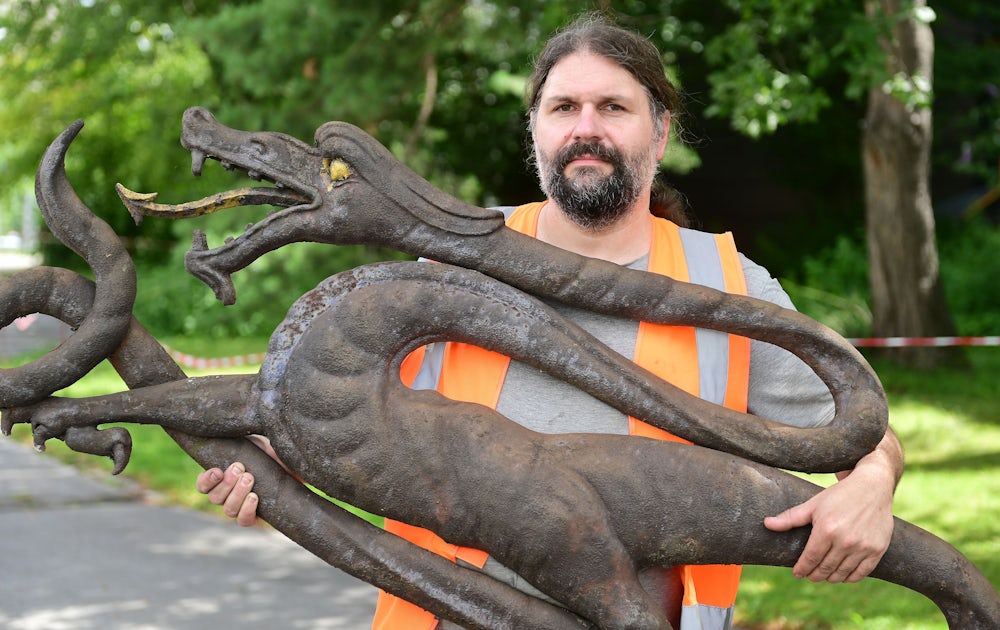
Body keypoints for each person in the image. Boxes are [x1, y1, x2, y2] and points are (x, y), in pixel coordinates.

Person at [197, 14, 904, 630]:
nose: (586, 129)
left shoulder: (728, 284)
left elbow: (864, 435)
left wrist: (873, 486)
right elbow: (342, 423)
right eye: (564, 107)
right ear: (534, 130)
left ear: (660, 135)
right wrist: (266, 466)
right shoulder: (448, 262)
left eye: (613, 107)